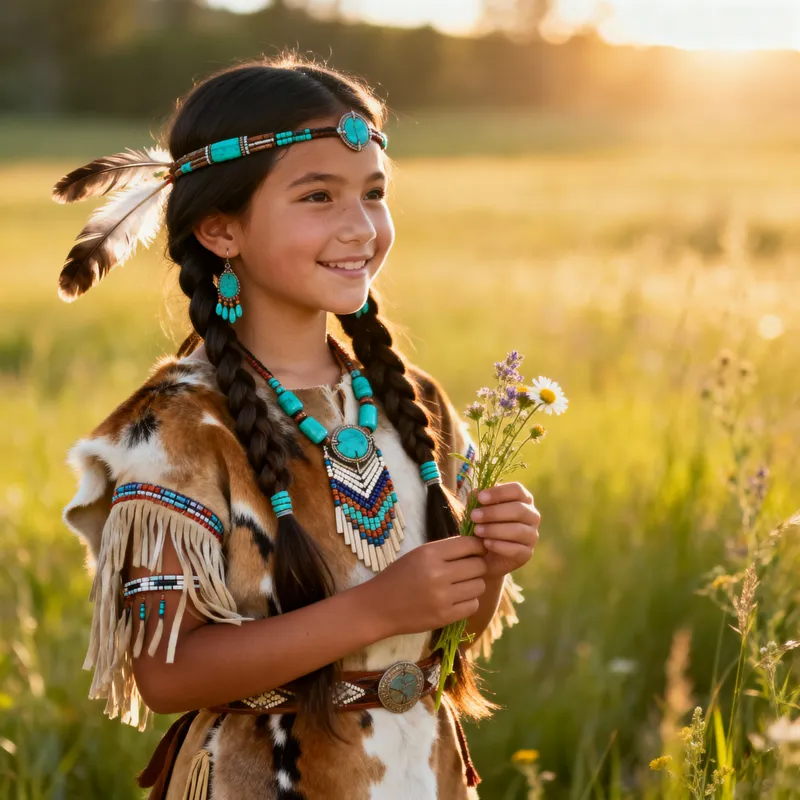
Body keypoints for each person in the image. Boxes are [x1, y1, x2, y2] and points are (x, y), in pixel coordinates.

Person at [57, 54, 540, 800]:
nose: (360, 227)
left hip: (424, 777)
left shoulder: (414, 406)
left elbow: (442, 641)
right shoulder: (178, 428)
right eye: (318, 196)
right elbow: (166, 674)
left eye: (374, 194)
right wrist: (377, 607)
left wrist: (491, 565)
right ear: (220, 228)